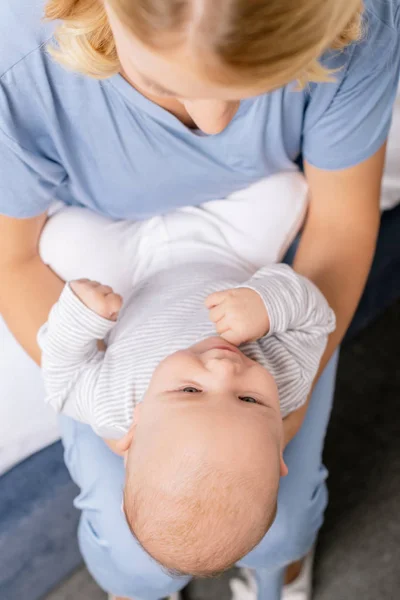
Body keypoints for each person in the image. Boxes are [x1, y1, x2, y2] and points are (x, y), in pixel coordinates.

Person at [0, 0, 399, 599]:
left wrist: (263, 427)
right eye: (164, 84)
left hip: (244, 245)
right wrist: (120, 418)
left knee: (281, 521)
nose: (214, 124)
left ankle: (280, 571)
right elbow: (18, 264)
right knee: (134, 560)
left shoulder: (355, 21)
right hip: (129, 260)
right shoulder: (23, 66)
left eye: (257, 85)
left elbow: (336, 239)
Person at [36, 176, 335, 576]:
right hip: (226, 250)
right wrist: (269, 303)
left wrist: (78, 319)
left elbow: (62, 378)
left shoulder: (112, 405)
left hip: (129, 271)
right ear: (280, 449)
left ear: (135, 426)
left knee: (61, 240)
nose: (226, 369)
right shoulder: (289, 380)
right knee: (284, 190)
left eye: (190, 389)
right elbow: (318, 321)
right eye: (249, 400)